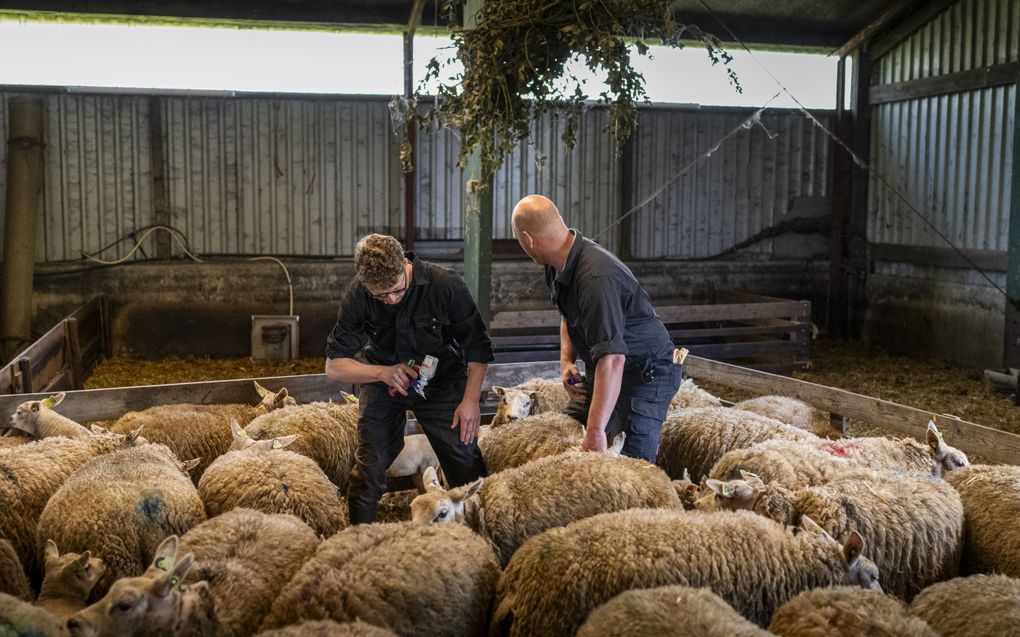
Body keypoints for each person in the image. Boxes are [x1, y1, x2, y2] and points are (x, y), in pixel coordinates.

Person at [325, 234, 491, 524]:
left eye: (396, 290)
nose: (389, 299)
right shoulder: (358, 295)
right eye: (379, 295)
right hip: (384, 379)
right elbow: (334, 366)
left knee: (463, 458)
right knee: (369, 466)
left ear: (405, 264)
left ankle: (480, 533)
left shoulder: (445, 286)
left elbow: (478, 348)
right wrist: (382, 373)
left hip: (441, 380)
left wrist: (471, 400)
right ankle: (359, 540)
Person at [510, 194, 681, 462]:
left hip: (644, 372)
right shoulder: (557, 264)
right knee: (564, 439)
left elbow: (613, 358)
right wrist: (566, 361)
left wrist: (595, 429)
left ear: (528, 239)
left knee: (630, 464)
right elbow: (567, 314)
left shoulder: (595, 277)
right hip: (606, 366)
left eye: (519, 242)